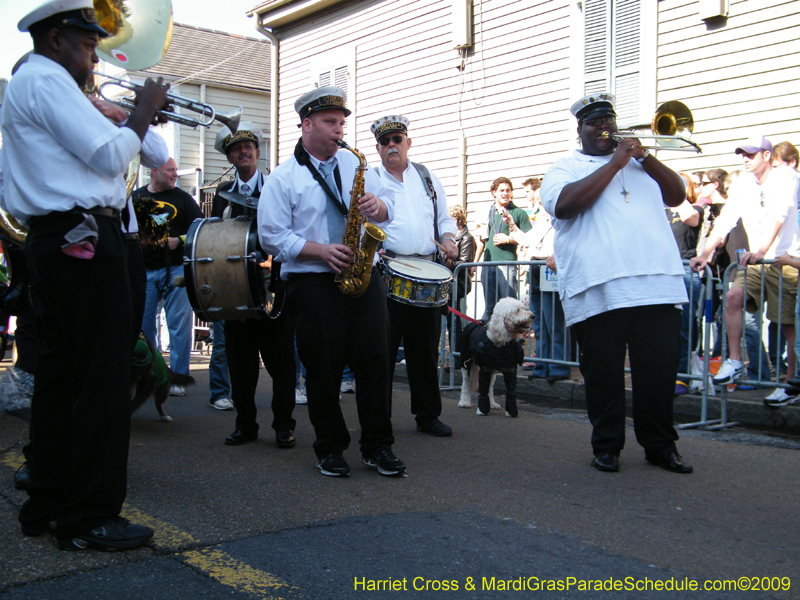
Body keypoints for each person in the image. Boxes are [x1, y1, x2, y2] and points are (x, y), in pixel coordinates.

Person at [1, 0, 170, 550]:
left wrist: (130, 119)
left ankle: (47, 502)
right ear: (56, 40)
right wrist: (143, 109)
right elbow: (108, 158)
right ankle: (90, 516)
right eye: (89, 44)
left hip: (66, 237)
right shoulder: (46, 81)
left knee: (62, 375)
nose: (96, 56)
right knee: (101, 378)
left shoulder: (45, 84)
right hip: (82, 237)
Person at [541, 93, 693, 474]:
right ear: (579, 129)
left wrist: (645, 157)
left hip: (656, 286)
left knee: (657, 374)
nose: (604, 127)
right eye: (594, 122)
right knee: (603, 375)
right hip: (598, 290)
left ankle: (660, 445)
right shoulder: (565, 167)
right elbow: (565, 205)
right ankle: (607, 446)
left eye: (608, 119)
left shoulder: (641, 165)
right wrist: (616, 163)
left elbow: (677, 195)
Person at [258, 87, 404, 477]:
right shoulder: (283, 178)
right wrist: (320, 251)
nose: (339, 130)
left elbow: (390, 206)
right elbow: (271, 237)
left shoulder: (355, 164)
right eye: (330, 122)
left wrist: (378, 206)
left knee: (376, 363)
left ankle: (378, 446)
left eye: (341, 123)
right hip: (313, 283)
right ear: (307, 124)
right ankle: (329, 447)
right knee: (323, 368)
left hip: (363, 275)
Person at [691, 136, 800, 407]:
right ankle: (735, 361)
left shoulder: (786, 176)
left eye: (751, 154)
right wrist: (705, 253)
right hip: (757, 263)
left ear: (767, 155)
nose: (745, 159)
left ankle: (790, 385)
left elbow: (781, 213)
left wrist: (763, 250)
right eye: (742, 155)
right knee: (732, 297)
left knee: (788, 326)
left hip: (784, 260)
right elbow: (727, 219)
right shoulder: (743, 183)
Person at [211, 122, 297, 448]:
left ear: (258, 152)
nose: (243, 152)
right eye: (236, 149)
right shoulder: (221, 195)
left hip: (273, 287)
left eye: (248, 147)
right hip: (236, 290)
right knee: (240, 365)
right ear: (230, 158)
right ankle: (245, 425)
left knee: (282, 364)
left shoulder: (276, 186)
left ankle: (284, 426)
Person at [371, 114, 458, 437]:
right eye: (385, 142)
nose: (392, 146)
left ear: (408, 142)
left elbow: (444, 218)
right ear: (378, 148)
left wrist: (448, 239)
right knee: (383, 350)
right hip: (387, 271)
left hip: (427, 272)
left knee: (425, 349)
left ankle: (428, 415)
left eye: (397, 140)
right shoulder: (371, 178)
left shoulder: (426, 177)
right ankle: (379, 419)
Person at [132, 158, 202, 395]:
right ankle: (151, 376)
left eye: (176, 170)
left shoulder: (183, 199)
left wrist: (179, 240)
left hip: (177, 269)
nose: (175, 174)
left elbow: (201, 228)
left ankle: (177, 380)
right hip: (145, 271)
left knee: (179, 326)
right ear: (154, 171)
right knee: (144, 329)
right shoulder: (136, 198)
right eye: (170, 170)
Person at [507, 177, 571, 384]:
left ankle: (558, 366)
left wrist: (557, 255)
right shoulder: (542, 219)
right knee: (540, 321)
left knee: (554, 320)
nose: (542, 206)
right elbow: (529, 239)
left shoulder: (562, 218)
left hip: (550, 268)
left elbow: (568, 240)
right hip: (536, 266)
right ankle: (543, 364)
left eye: (544, 202)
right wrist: (513, 226)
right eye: (541, 202)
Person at [474, 177, 531, 318]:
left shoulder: (518, 213)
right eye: (502, 190)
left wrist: (508, 239)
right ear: (494, 192)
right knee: (490, 307)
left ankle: (511, 333)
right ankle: (491, 332)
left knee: (510, 307)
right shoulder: (487, 212)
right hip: (488, 265)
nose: (505, 193)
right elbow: (481, 240)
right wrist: (475, 262)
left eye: (508, 190)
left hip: (507, 264)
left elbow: (529, 239)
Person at [669, 173, 704, 395]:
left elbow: (691, 218)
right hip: (663, 271)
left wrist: (675, 194)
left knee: (684, 328)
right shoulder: (662, 210)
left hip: (685, 270)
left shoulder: (694, 208)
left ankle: (682, 376)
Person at [446, 204, 476, 369]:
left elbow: (464, 263)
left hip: (458, 284)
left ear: (457, 220)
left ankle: (457, 358)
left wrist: (448, 262)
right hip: (447, 282)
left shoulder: (466, 238)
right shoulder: (448, 237)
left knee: (454, 322)